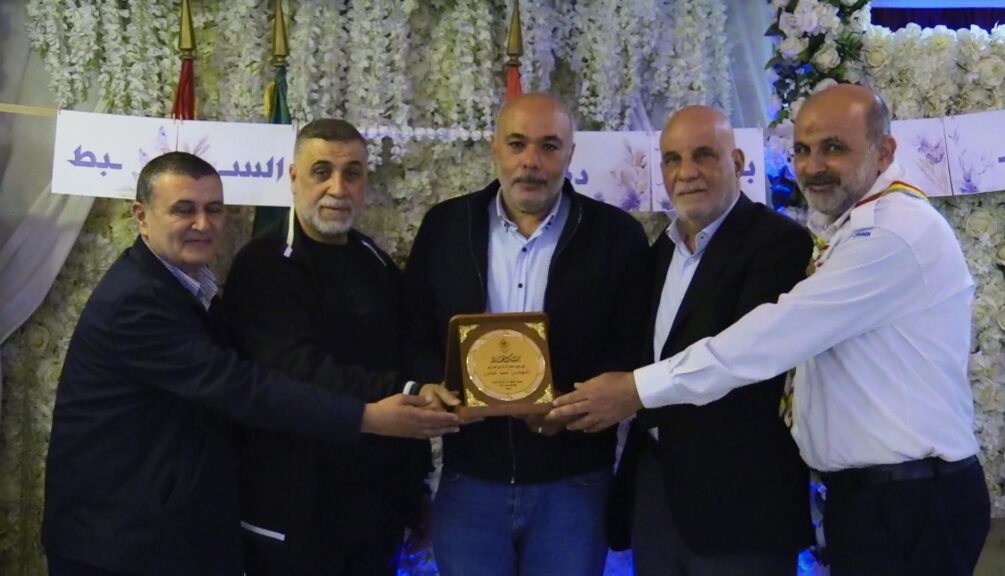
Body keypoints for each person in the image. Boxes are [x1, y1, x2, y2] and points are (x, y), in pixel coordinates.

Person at [550, 84, 990, 576]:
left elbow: (765, 342)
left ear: (884, 151)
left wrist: (635, 389)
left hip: (908, 499)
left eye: (834, 148)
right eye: (802, 149)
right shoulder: (848, 229)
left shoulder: (888, 234)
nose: (813, 165)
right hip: (869, 498)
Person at [41, 152, 459, 576]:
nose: (203, 224)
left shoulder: (188, 286)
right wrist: (368, 417)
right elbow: (240, 387)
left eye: (214, 209)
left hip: (161, 530)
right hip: (118, 542)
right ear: (141, 216)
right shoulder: (138, 300)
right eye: (184, 210)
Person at [402, 93, 651, 576]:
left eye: (549, 146)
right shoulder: (445, 227)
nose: (531, 161)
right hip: (470, 480)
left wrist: (572, 411)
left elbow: (631, 348)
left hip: (574, 485)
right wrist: (433, 386)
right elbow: (413, 330)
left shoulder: (616, 235)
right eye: (517, 144)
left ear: (571, 154)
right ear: (494, 147)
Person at [610, 106, 812, 575]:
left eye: (703, 155)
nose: (687, 173)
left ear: (738, 162)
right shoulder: (661, 250)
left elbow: (744, 369)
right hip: (657, 492)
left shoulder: (779, 243)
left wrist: (627, 393)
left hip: (740, 506)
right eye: (673, 159)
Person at [223, 119, 431, 576]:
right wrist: (407, 390)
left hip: (374, 513)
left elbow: (403, 355)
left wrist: (414, 492)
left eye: (352, 173)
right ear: (293, 177)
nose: (338, 188)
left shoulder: (374, 260)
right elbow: (297, 369)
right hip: (292, 511)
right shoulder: (262, 266)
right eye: (322, 172)